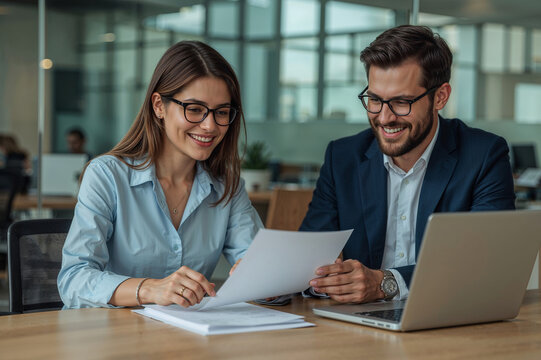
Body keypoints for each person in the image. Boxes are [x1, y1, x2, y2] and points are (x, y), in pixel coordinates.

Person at [301, 25, 515, 304]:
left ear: (440, 97)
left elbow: (489, 260)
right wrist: (317, 279)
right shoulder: (342, 157)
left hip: (448, 318)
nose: (385, 117)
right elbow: (308, 261)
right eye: (375, 100)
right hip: (356, 326)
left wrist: (386, 283)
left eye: (401, 102)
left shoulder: (484, 154)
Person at [58, 41, 263, 309]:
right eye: (194, 109)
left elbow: (258, 263)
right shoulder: (107, 176)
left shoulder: (227, 187)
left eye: (221, 112)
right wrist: (149, 289)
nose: (210, 125)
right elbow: (73, 280)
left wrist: (263, 280)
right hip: (108, 339)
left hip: (187, 340)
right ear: (159, 106)